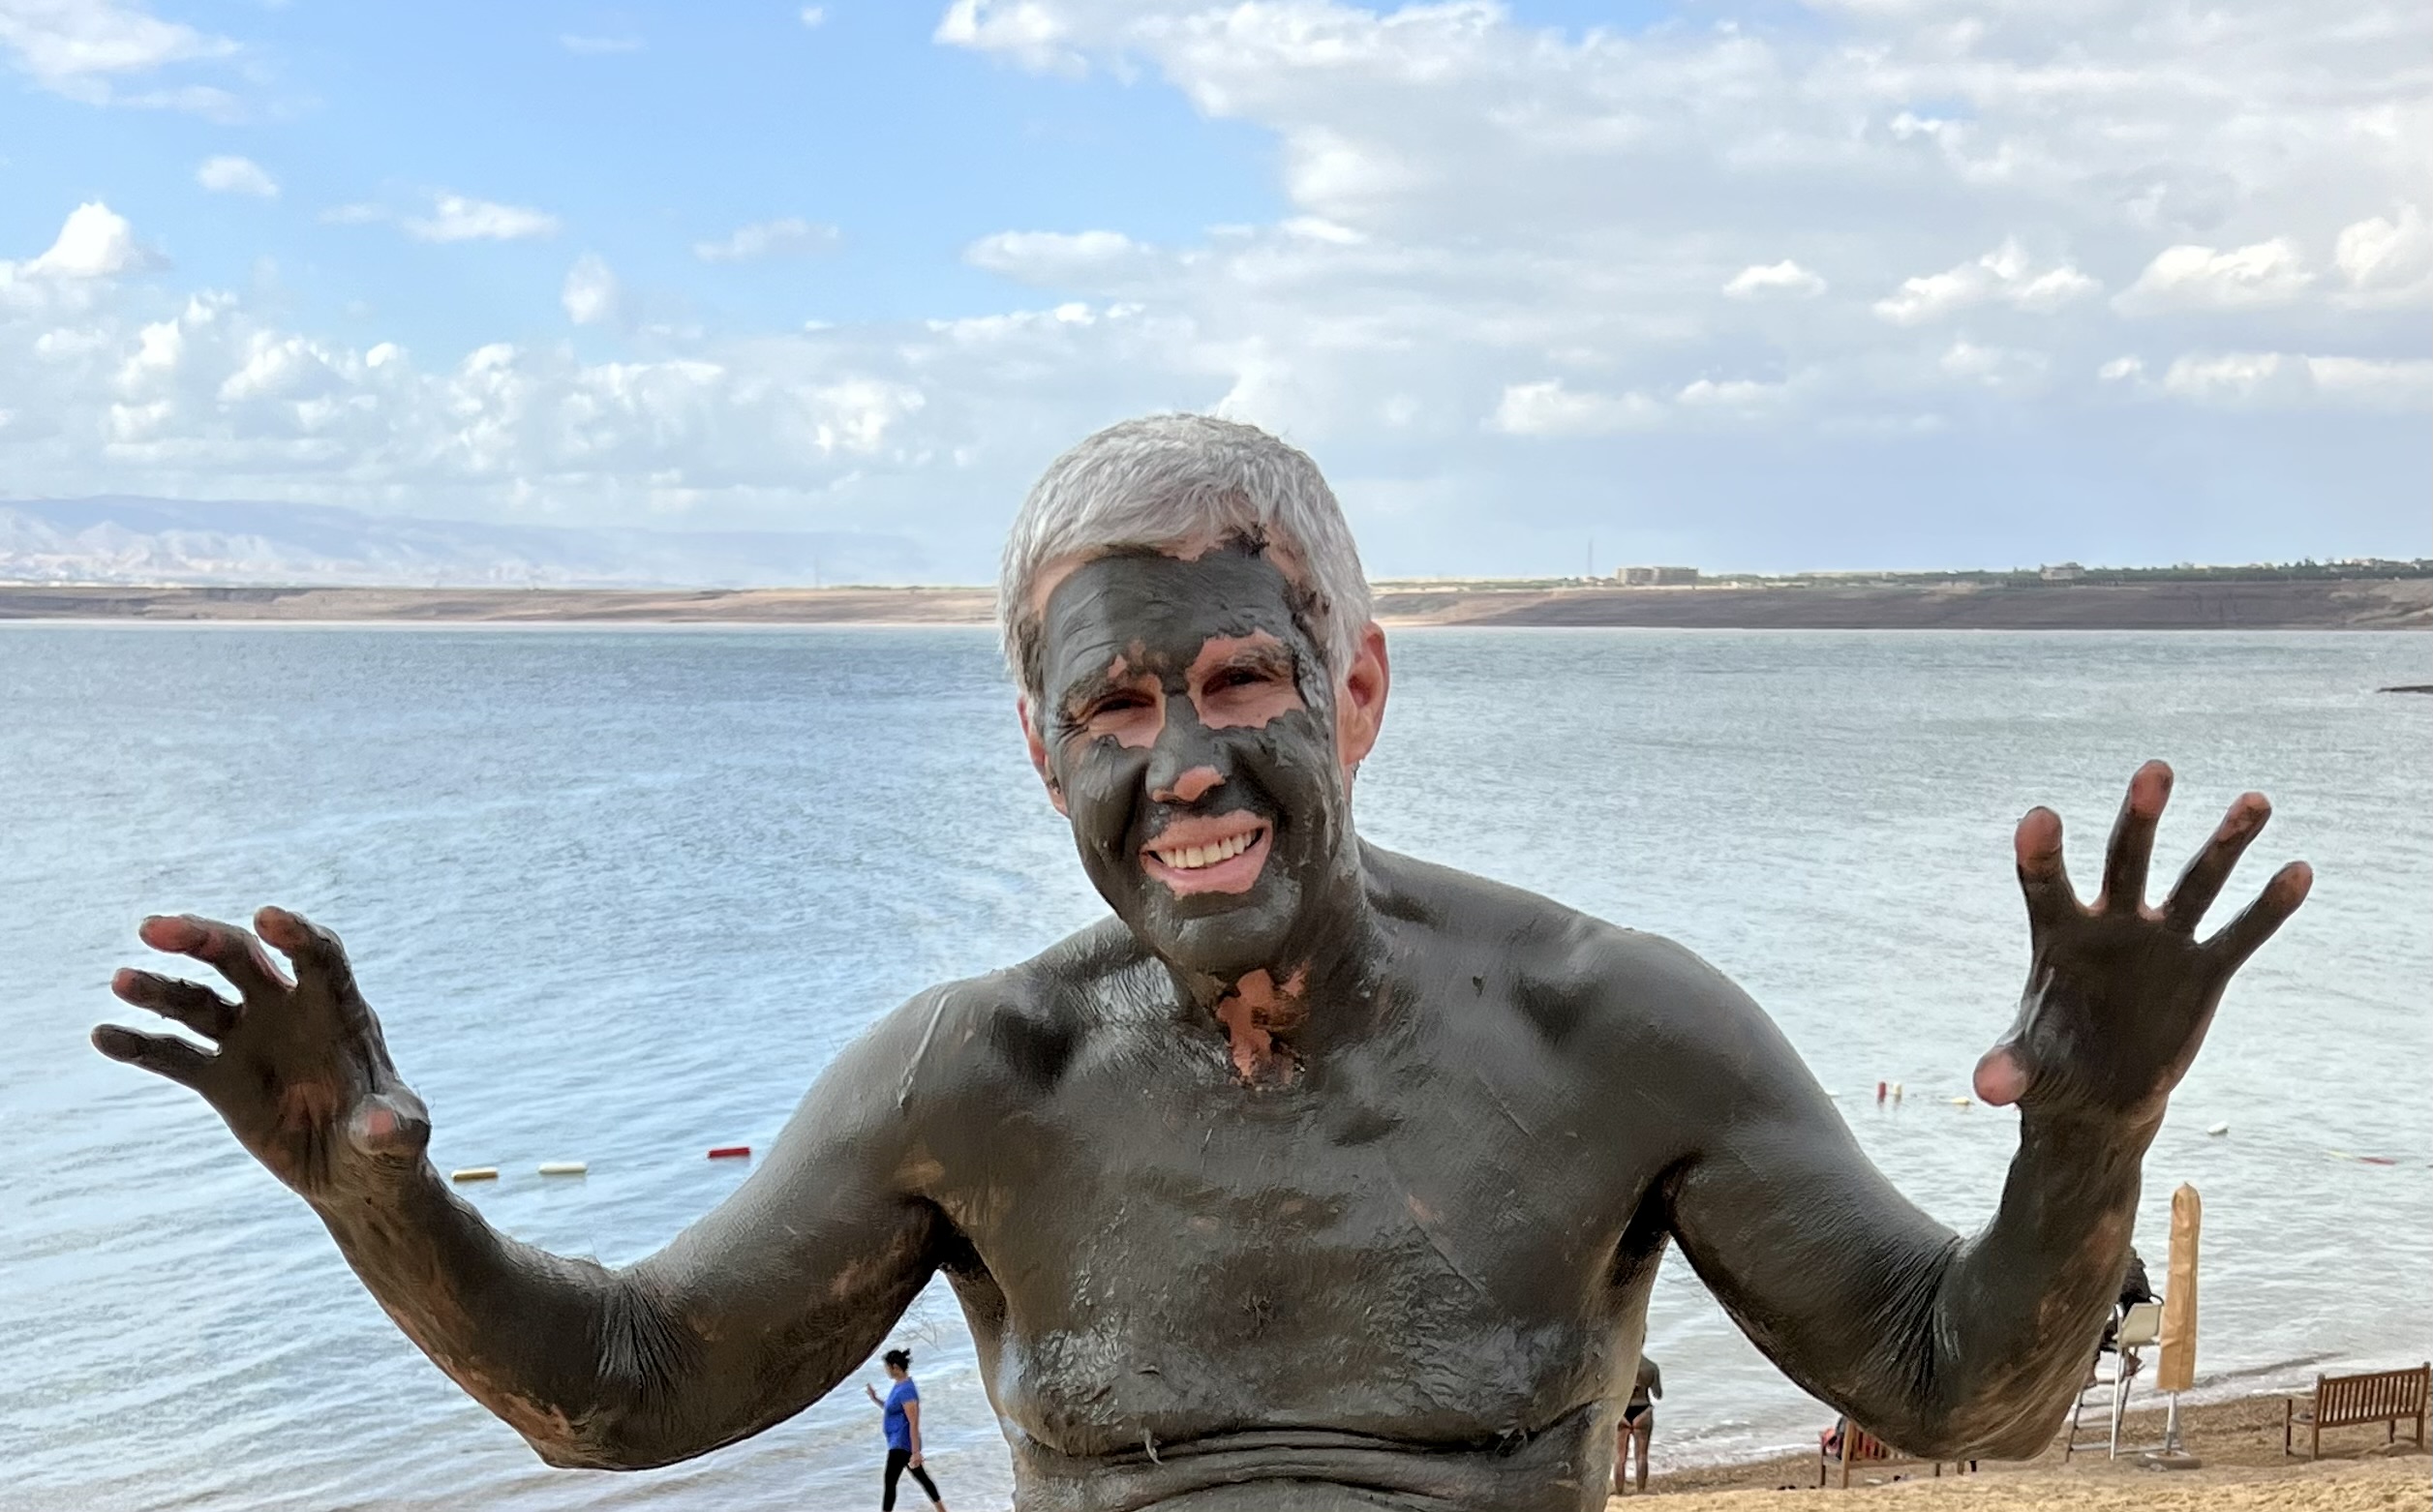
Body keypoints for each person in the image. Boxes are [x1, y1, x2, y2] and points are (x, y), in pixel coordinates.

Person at [93, 413, 2314, 1511]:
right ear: (1036, 744)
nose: (1183, 764)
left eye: (1238, 678)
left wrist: (2089, 1137)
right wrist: (378, 1198)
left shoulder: (1610, 1031)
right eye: (1113, 706)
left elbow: (1956, 1386)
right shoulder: (976, 1082)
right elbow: (624, 1387)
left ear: (1358, 688)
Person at [864, 1348, 946, 1512]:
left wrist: (916, 1452)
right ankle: (942, 1510)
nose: (886, 1370)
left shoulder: (907, 1390)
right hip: (898, 1442)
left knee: (890, 1482)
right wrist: (875, 1399)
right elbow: (892, 1409)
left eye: (887, 1367)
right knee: (921, 1478)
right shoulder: (899, 1386)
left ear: (895, 1367)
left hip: (902, 1443)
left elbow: (913, 1422)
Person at [1615, 1353, 1661, 1494]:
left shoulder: (1618, 1366)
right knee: (1641, 1456)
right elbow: (1658, 1394)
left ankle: (1619, 1491)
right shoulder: (1651, 1366)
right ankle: (1641, 1490)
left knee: (1620, 1457)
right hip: (1643, 1410)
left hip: (1622, 1411)